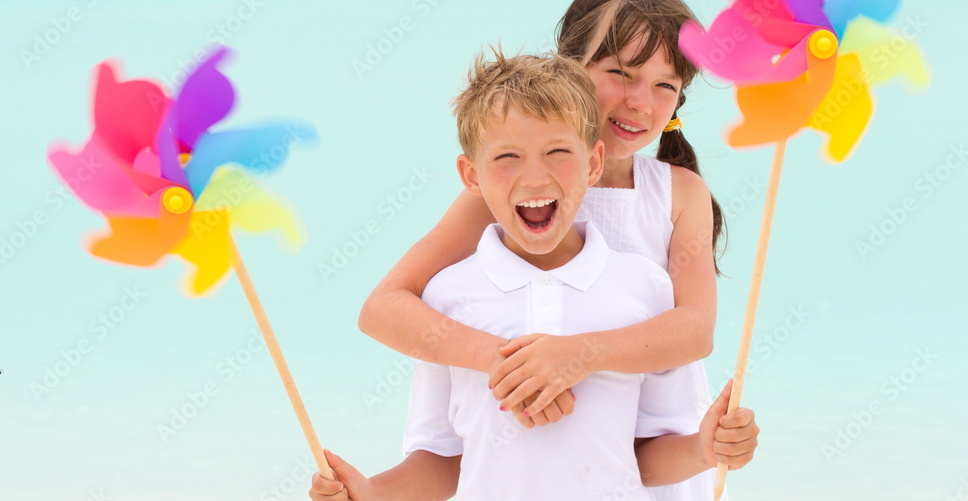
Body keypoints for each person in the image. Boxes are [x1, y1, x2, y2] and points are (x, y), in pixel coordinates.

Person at [310, 51, 757, 501]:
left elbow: (643, 458)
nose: (535, 176)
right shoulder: (446, 301)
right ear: (471, 175)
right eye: (507, 156)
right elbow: (444, 462)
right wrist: (370, 493)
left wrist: (704, 448)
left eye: (558, 152)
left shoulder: (645, 290)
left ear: (593, 163)